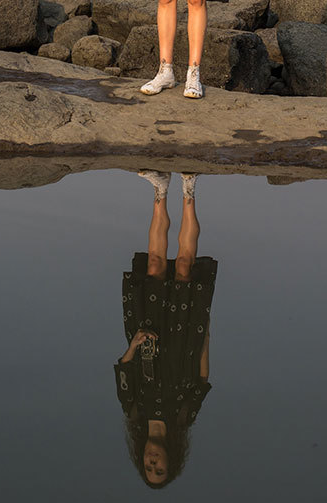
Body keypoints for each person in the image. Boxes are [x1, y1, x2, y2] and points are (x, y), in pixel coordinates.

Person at [114, 171, 217, 488]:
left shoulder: (133, 410)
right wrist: (204, 329)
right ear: (171, 460)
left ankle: (160, 190)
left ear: (141, 458)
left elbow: (124, 365)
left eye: (147, 467)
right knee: (185, 264)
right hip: (185, 330)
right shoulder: (185, 415)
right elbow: (202, 376)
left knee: (156, 263)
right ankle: (189, 189)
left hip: (147, 327)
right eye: (159, 469)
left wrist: (135, 343)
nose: (152, 463)